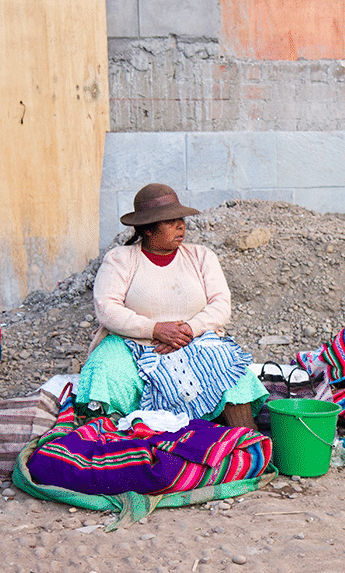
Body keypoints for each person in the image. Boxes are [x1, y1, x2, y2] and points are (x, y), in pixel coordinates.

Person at [76, 183, 267, 428]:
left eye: (181, 219)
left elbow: (220, 304)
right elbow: (107, 308)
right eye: (170, 221)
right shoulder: (120, 259)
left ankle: (247, 443)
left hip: (194, 338)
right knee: (104, 367)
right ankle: (107, 439)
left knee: (228, 367)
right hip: (131, 342)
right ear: (147, 230)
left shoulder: (201, 256)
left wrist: (188, 328)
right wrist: (155, 329)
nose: (180, 225)